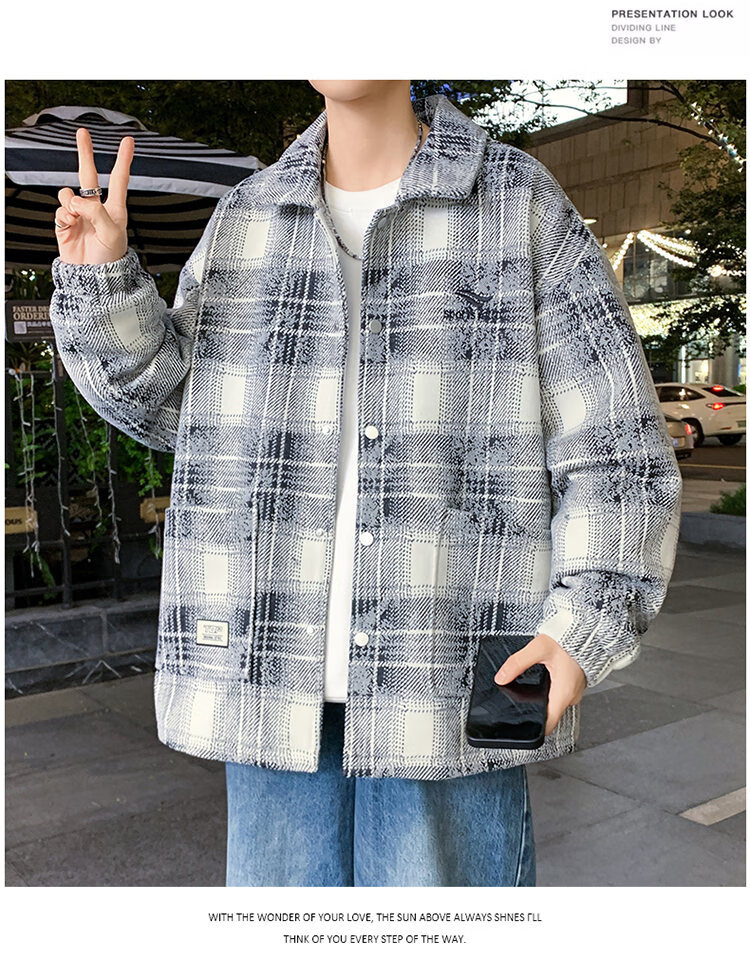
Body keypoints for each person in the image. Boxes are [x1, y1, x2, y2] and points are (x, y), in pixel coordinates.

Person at [49, 80, 682, 887]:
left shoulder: (515, 203)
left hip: (450, 679)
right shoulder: (249, 216)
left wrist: (585, 624)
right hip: (267, 672)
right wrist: (104, 281)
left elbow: (616, 447)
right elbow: (184, 414)